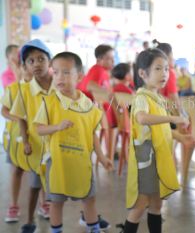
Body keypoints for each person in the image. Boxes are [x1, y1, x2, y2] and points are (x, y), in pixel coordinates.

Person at [33, 51, 113, 233]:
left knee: (89, 198)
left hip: (82, 162)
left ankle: (93, 228)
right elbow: (38, 129)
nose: (60, 77)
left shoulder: (88, 105)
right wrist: (56, 127)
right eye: (56, 72)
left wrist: (101, 156)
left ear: (80, 76)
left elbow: (92, 132)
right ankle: (56, 230)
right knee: (56, 202)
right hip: (58, 163)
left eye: (66, 72)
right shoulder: (49, 102)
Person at [118, 48, 189, 233]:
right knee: (140, 205)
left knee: (156, 205)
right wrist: (173, 119)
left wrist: (180, 137)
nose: (164, 73)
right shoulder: (141, 97)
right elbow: (142, 118)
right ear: (142, 73)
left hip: (158, 158)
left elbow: (160, 129)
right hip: (147, 160)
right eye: (158, 68)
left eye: (166, 68)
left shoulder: (157, 98)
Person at [10, 39, 55, 233]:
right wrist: (26, 141)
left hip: (58, 145)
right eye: (30, 61)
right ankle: (29, 221)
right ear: (25, 66)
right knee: (35, 186)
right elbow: (20, 118)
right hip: (38, 146)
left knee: (61, 186)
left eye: (41, 59)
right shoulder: (24, 90)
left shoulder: (59, 85)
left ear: (50, 61)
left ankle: (80, 219)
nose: (36, 63)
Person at [1, 62, 32, 223]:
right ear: (19, 69)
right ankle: (13, 205)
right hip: (16, 138)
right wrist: (19, 117)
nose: (29, 70)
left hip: (35, 138)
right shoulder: (13, 89)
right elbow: (4, 110)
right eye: (25, 66)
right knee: (17, 171)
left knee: (38, 172)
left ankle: (44, 204)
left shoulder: (42, 90)